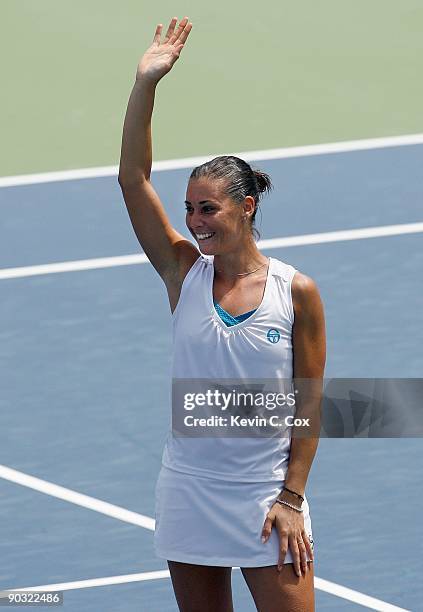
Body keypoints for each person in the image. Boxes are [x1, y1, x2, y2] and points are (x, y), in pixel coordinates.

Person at [118, 17, 326, 612]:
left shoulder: (297, 292)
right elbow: (132, 179)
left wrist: (291, 497)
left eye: (208, 208)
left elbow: (309, 401)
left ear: (246, 206)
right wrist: (146, 84)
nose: (195, 221)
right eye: (188, 209)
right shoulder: (183, 274)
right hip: (188, 490)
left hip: (267, 498)